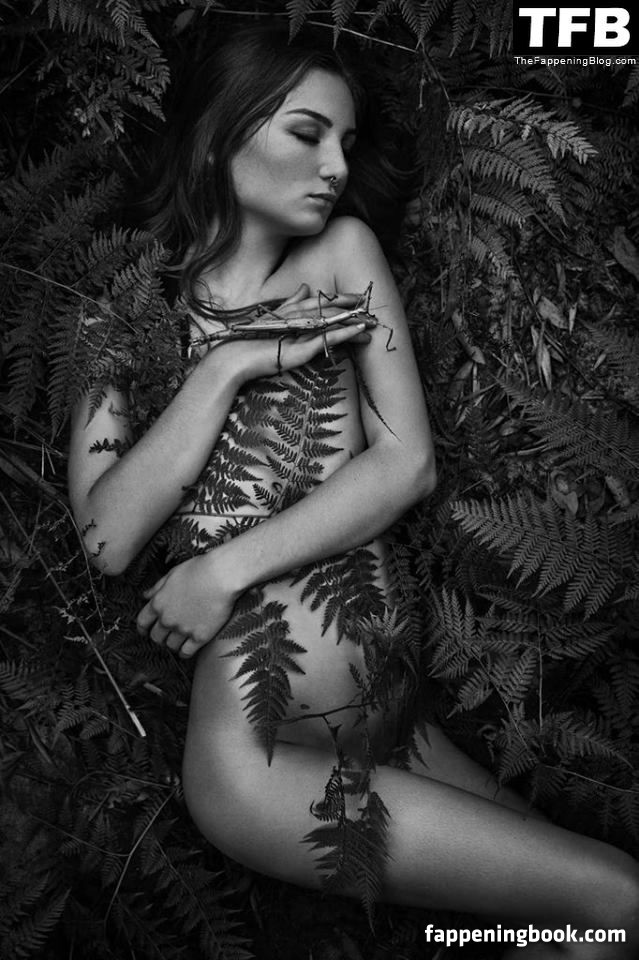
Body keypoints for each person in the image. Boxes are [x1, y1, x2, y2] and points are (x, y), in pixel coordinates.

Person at [68, 25, 638, 958]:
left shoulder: (341, 255)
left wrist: (220, 570)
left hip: (390, 717)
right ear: (215, 135)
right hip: (258, 754)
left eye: (344, 140)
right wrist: (225, 369)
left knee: (554, 931)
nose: (334, 166)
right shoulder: (119, 318)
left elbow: (406, 463)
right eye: (305, 134)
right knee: (613, 901)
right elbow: (105, 538)